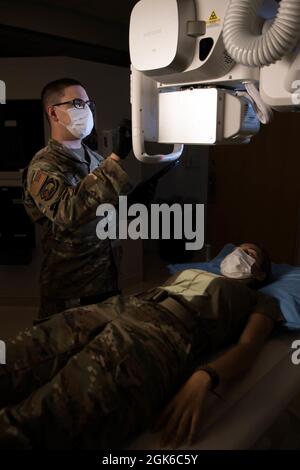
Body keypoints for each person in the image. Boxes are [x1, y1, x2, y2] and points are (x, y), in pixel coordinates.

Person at [0, 242, 284, 449]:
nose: (238, 255)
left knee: (45, 418)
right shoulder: (194, 272)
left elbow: (248, 348)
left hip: (163, 333)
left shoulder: (260, 301)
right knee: (17, 355)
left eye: (249, 254)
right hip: (120, 306)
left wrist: (205, 376)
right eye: (238, 250)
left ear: (260, 274)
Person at [23, 78, 133, 319]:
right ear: (53, 112)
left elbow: (103, 208)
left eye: (88, 104)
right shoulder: (43, 166)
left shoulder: (93, 158)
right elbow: (68, 212)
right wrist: (114, 160)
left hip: (106, 279)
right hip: (72, 290)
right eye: (77, 103)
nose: (87, 110)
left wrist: (135, 200)